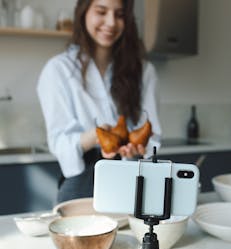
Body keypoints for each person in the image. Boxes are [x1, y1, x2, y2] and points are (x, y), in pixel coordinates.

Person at [37, 0, 161, 203]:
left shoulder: (145, 72)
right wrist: (97, 136)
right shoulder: (58, 70)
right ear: (83, 13)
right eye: (101, 12)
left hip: (133, 180)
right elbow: (58, 141)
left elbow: (153, 134)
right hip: (81, 183)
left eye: (119, 15)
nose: (111, 22)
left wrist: (138, 148)